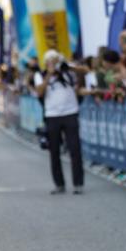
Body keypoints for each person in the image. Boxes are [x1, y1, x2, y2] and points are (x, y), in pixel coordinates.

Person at [35, 49, 85, 194]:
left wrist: (68, 67)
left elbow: (84, 72)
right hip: (52, 115)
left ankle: (78, 183)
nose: (53, 63)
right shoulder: (41, 74)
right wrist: (50, 73)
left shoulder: (68, 72)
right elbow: (39, 91)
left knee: (75, 149)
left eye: (55, 60)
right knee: (54, 151)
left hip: (70, 113)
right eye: (50, 60)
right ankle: (59, 184)